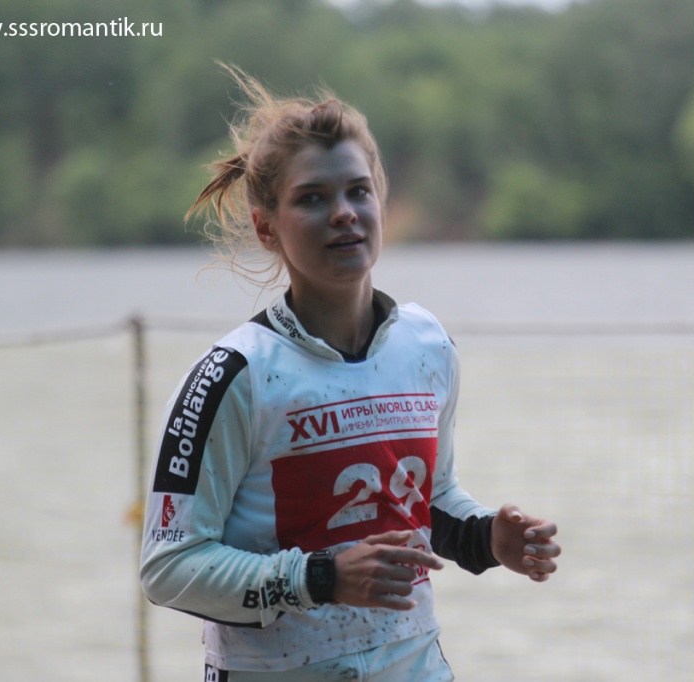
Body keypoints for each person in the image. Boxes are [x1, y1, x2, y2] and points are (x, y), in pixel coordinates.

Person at [139, 65, 561, 681]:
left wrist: (486, 538)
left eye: (358, 191)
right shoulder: (233, 375)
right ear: (266, 227)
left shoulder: (427, 344)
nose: (343, 213)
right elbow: (168, 566)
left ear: (380, 203)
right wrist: (322, 578)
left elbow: (428, 500)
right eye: (312, 198)